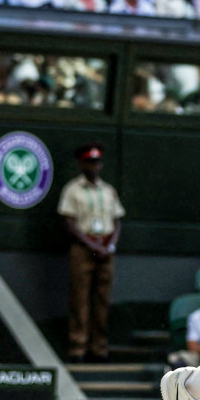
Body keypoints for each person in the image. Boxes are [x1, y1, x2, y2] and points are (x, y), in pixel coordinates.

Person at [57, 143, 124, 363]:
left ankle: (99, 346)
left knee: (102, 299)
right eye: (89, 162)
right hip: (84, 248)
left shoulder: (108, 191)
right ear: (81, 163)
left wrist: (110, 245)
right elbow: (69, 222)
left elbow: (117, 219)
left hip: (105, 249)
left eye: (97, 163)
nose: (94, 167)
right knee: (80, 297)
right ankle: (78, 346)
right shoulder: (72, 190)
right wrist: (91, 245)